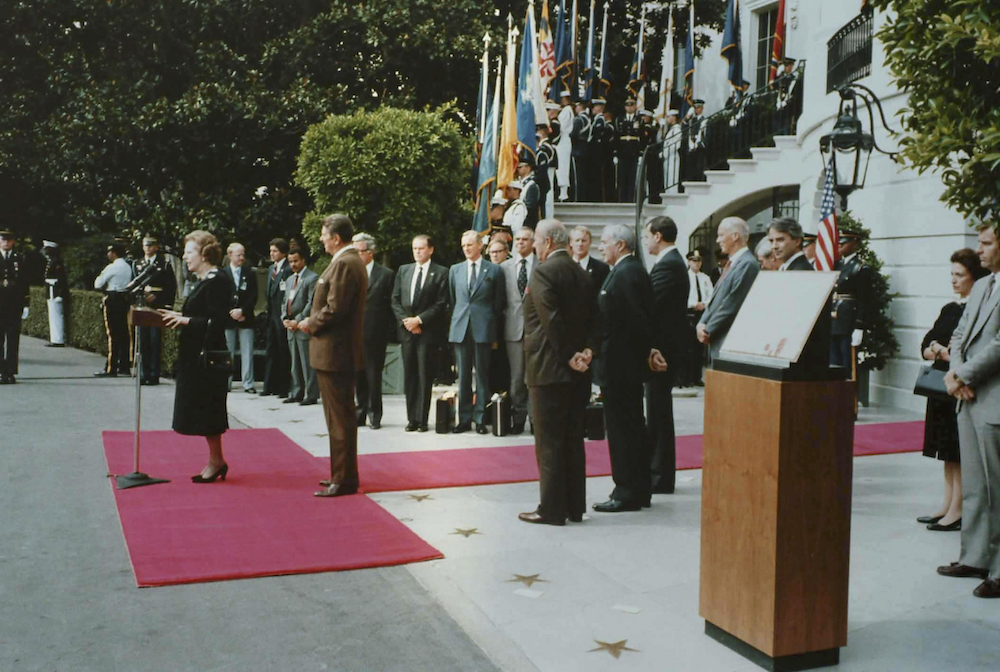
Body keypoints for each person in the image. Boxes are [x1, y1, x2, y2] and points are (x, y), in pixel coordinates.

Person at [518, 219, 597, 526]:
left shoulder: (543, 272)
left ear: (548, 242)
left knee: (549, 442)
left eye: (536, 241)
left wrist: (570, 356)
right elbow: (595, 320)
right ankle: (575, 506)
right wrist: (588, 352)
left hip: (549, 369)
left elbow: (551, 321)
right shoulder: (582, 272)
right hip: (579, 371)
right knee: (573, 440)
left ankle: (551, 509)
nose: (534, 246)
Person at [939, 222, 1000, 597]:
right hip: (969, 397)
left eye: (986, 242)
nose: (978, 249)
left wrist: (962, 374)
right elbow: (959, 335)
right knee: (976, 487)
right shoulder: (982, 285)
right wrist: (955, 374)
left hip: (991, 397)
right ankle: (976, 557)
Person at [918, 249, 988, 532]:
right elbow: (925, 343)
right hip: (940, 385)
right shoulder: (950, 308)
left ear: (975, 277)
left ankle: (957, 509)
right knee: (944, 450)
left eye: (960, 275)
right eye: (952, 275)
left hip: (959, 385)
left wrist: (945, 353)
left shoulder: (979, 309)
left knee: (957, 451)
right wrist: (936, 348)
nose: (954, 280)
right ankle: (947, 504)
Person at [298, 215, 367, 498]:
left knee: (340, 419)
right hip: (334, 352)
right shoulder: (347, 261)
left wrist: (310, 323)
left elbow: (335, 308)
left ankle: (344, 478)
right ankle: (341, 473)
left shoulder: (344, 263)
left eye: (324, 234)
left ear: (336, 237)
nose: (321, 238)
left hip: (335, 352)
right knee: (338, 417)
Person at [159, 230, 234, 483]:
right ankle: (216, 460)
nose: (184, 256)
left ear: (204, 254)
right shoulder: (204, 280)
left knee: (209, 409)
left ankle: (216, 461)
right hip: (196, 353)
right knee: (204, 410)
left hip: (208, 356)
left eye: (189, 252)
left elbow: (218, 320)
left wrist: (185, 320)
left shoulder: (217, 280)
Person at [593, 224, 656, 513]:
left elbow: (635, 323)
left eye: (604, 242)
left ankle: (626, 491)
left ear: (619, 244)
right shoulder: (624, 271)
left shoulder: (627, 273)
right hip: (622, 366)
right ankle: (638, 489)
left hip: (621, 368)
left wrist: (631, 359)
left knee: (622, 430)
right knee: (630, 427)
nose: (600, 247)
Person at [644, 217, 690, 495]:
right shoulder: (669, 263)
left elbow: (651, 303)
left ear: (658, 236)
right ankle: (658, 472)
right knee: (657, 411)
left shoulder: (669, 265)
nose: (646, 240)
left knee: (659, 413)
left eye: (647, 235)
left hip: (663, 350)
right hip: (664, 347)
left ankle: (660, 476)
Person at [448, 230, 506, 434]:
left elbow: (498, 303)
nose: (466, 249)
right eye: (463, 245)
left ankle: (481, 418)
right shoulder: (455, 270)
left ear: (480, 245)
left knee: (482, 375)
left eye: (470, 245)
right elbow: (454, 300)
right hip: (461, 328)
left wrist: (488, 323)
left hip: (483, 327)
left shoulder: (494, 270)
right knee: (463, 376)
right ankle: (464, 419)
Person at [391, 235, 449, 432]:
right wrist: (407, 322)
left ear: (430, 249)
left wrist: (419, 320)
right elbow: (395, 299)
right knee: (410, 377)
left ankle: (422, 420)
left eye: (421, 248)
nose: (417, 252)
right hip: (407, 331)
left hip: (427, 332)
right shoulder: (404, 270)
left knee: (424, 376)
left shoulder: (441, 272)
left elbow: (441, 303)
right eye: (415, 248)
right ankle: (411, 419)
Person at [697, 217, 760, 363]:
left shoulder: (748, 264)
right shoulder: (732, 264)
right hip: (718, 338)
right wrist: (702, 323)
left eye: (721, 235)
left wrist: (708, 329)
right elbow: (716, 298)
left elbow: (732, 303)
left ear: (735, 236)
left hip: (729, 339)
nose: (718, 240)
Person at [353, 233, 395, 429]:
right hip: (353, 334)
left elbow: (390, 305)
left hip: (375, 334)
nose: (355, 255)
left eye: (358, 251)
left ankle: (374, 415)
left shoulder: (385, 275)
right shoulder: (350, 272)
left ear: (370, 252)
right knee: (358, 376)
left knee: (373, 376)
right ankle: (359, 413)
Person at [127, 235, 177, 385]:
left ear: (156, 247)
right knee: (142, 341)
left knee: (155, 341)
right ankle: (143, 373)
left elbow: (170, 286)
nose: (147, 248)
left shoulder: (164, 264)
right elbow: (132, 285)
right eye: (145, 245)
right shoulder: (137, 264)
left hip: (157, 305)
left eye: (150, 245)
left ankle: (154, 375)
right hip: (143, 305)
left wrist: (161, 301)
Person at [500, 227, 537, 435]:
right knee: (516, 378)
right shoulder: (504, 268)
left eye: (525, 239)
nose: (521, 243)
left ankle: (534, 419)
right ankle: (518, 418)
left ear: (533, 242)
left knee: (533, 377)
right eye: (518, 239)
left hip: (536, 331)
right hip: (512, 329)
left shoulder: (541, 265)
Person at [830, 232, 874, 370]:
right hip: (834, 320)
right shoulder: (837, 265)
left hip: (848, 321)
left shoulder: (860, 268)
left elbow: (864, 299)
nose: (840, 245)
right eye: (839, 242)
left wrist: (859, 326)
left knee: (847, 365)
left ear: (854, 244)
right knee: (833, 363)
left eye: (844, 242)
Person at [281, 247, 320, 406]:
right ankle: (296, 392)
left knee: (306, 362)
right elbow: (285, 302)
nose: (293, 264)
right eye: (290, 262)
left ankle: (310, 394)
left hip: (303, 326)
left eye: (296, 261)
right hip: (291, 327)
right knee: (294, 362)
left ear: (303, 260)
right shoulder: (290, 279)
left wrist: (298, 320)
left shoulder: (312, 278)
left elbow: (311, 303)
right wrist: (284, 318)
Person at [93, 242, 134, 377]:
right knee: (124, 334)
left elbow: (98, 283)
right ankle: (124, 366)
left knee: (112, 334)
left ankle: (111, 367)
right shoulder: (128, 267)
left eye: (110, 251)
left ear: (114, 253)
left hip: (113, 298)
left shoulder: (112, 267)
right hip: (124, 299)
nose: (108, 254)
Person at [222, 243, 259, 394]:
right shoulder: (223, 273)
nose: (242, 258)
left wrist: (243, 310)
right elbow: (220, 297)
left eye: (243, 254)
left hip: (246, 318)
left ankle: (248, 383)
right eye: (238, 255)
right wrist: (230, 311)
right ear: (230, 255)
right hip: (228, 318)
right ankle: (226, 382)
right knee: (227, 352)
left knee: (247, 351)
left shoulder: (249, 273)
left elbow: (253, 295)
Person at [262, 237, 292, 398]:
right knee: (271, 349)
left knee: (282, 351)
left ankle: (283, 387)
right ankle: (269, 385)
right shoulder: (270, 269)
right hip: (271, 315)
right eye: (271, 251)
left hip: (281, 315)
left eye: (275, 251)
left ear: (283, 252)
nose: (272, 254)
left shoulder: (287, 269)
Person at [0, 229, 30, 384]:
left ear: (13, 242)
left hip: (13, 305)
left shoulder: (20, 258)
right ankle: (0, 371)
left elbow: (25, 283)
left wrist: (26, 303)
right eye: (3, 240)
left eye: (8, 240)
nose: (5, 243)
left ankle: (10, 371)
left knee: (13, 340)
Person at [685, 250, 713, 387]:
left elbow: (711, 295)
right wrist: (693, 304)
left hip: (702, 313)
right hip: (689, 313)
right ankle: (687, 377)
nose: (697, 264)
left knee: (699, 348)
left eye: (699, 261)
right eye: (694, 260)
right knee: (688, 346)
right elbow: (683, 295)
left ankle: (697, 377)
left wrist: (704, 305)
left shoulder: (705, 278)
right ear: (689, 261)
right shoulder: (685, 277)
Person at [614, 96, 642, 202]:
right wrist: (615, 153)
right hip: (622, 152)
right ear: (625, 107)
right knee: (622, 178)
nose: (629, 108)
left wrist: (640, 152)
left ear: (635, 107)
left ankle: (630, 199)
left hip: (633, 152)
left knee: (631, 178)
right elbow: (616, 137)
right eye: (627, 106)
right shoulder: (619, 119)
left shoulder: (639, 120)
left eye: (632, 105)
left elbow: (641, 138)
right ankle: (622, 200)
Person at [42, 240, 68, 348]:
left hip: (55, 290)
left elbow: (61, 279)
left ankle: (58, 339)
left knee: (56, 315)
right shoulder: (51, 261)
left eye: (47, 248)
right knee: (52, 315)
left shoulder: (57, 262)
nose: (45, 250)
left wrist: (60, 294)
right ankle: (55, 338)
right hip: (51, 290)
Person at [570, 99, 593, 201]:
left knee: (577, 176)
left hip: (577, 149)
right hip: (586, 148)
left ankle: (578, 198)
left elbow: (574, 135)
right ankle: (584, 197)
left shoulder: (578, 119)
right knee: (584, 175)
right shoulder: (588, 118)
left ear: (580, 107)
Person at [555, 90, 574, 202]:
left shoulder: (567, 111)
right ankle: (561, 192)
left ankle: (564, 193)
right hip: (561, 140)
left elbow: (561, 127)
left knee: (563, 166)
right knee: (560, 166)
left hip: (563, 139)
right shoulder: (565, 110)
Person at [537, 118, 558, 218]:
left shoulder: (546, 146)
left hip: (547, 171)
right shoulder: (547, 145)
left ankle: (548, 217)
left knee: (548, 196)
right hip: (546, 171)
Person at [683, 99, 707, 182]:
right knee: (690, 169)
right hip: (691, 148)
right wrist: (687, 117)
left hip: (699, 148)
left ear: (702, 108)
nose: (697, 109)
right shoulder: (691, 120)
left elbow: (706, 135)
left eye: (698, 107)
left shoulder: (704, 120)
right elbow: (683, 126)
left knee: (699, 168)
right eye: (695, 108)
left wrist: (698, 143)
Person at [516, 152, 541, 230]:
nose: (518, 169)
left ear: (528, 168)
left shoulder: (531, 185)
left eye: (520, 167)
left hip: (528, 223)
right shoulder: (519, 183)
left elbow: (530, 207)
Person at [662, 109, 682, 193]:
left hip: (672, 157)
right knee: (667, 180)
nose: (667, 119)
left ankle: (672, 196)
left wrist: (665, 153)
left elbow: (676, 145)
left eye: (668, 117)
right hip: (667, 157)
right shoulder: (671, 130)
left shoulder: (676, 130)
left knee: (672, 179)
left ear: (674, 118)